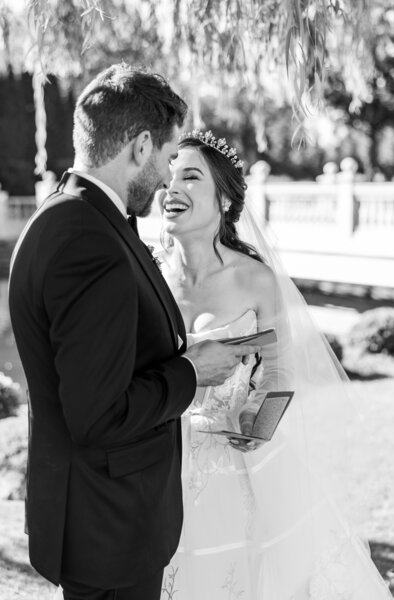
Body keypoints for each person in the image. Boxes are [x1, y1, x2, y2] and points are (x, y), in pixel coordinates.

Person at [8, 68, 260, 600]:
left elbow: (98, 361)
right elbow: (100, 414)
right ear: (141, 145)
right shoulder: (88, 239)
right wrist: (192, 372)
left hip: (100, 518)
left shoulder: (70, 217)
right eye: (171, 158)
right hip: (111, 526)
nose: (170, 177)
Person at [156, 130, 393, 599]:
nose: (172, 189)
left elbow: (280, 373)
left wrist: (257, 427)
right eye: (168, 177)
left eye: (191, 177)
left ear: (224, 201)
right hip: (160, 462)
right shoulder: (151, 276)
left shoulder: (254, 281)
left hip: (241, 468)